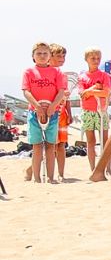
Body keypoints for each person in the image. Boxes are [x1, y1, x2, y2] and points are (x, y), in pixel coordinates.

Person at [20, 42, 67, 183]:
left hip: (52, 114)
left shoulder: (57, 72)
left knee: (51, 145)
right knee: (37, 146)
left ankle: (51, 177)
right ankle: (37, 178)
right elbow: (26, 91)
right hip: (34, 113)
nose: (42, 56)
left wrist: (53, 106)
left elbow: (61, 91)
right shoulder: (28, 72)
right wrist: (37, 106)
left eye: (45, 53)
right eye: (38, 53)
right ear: (33, 56)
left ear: (49, 56)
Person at [78, 47, 111, 174]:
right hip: (88, 111)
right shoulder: (82, 77)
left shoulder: (104, 76)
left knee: (105, 140)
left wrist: (90, 91)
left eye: (98, 58)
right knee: (90, 141)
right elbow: (82, 94)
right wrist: (93, 88)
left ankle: (107, 168)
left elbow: (106, 92)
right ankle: (93, 168)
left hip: (101, 110)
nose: (96, 60)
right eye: (93, 58)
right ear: (86, 59)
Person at [48, 44, 72, 179]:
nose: (62, 58)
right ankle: (32, 170)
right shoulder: (46, 74)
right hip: (50, 112)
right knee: (49, 145)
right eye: (58, 56)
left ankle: (61, 174)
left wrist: (69, 112)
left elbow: (66, 98)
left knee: (61, 144)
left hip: (61, 113)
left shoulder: (63, 75)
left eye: (63, 56)